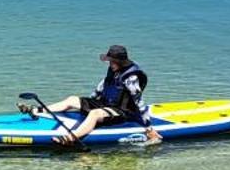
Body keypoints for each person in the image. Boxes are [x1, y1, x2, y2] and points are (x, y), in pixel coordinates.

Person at [21, 44, 162, 146]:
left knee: (94, 114)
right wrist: (87, 103)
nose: (110, 63)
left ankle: (71, 138)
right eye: (109, 61)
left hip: (123, 111)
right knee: (72, 100)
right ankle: (37, 111)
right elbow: (102, 86)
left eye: (112, 61)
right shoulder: (114, 69)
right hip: (107, 103)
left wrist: (148, 128)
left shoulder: (131, 78)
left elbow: (139, 102)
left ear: (120, 62)